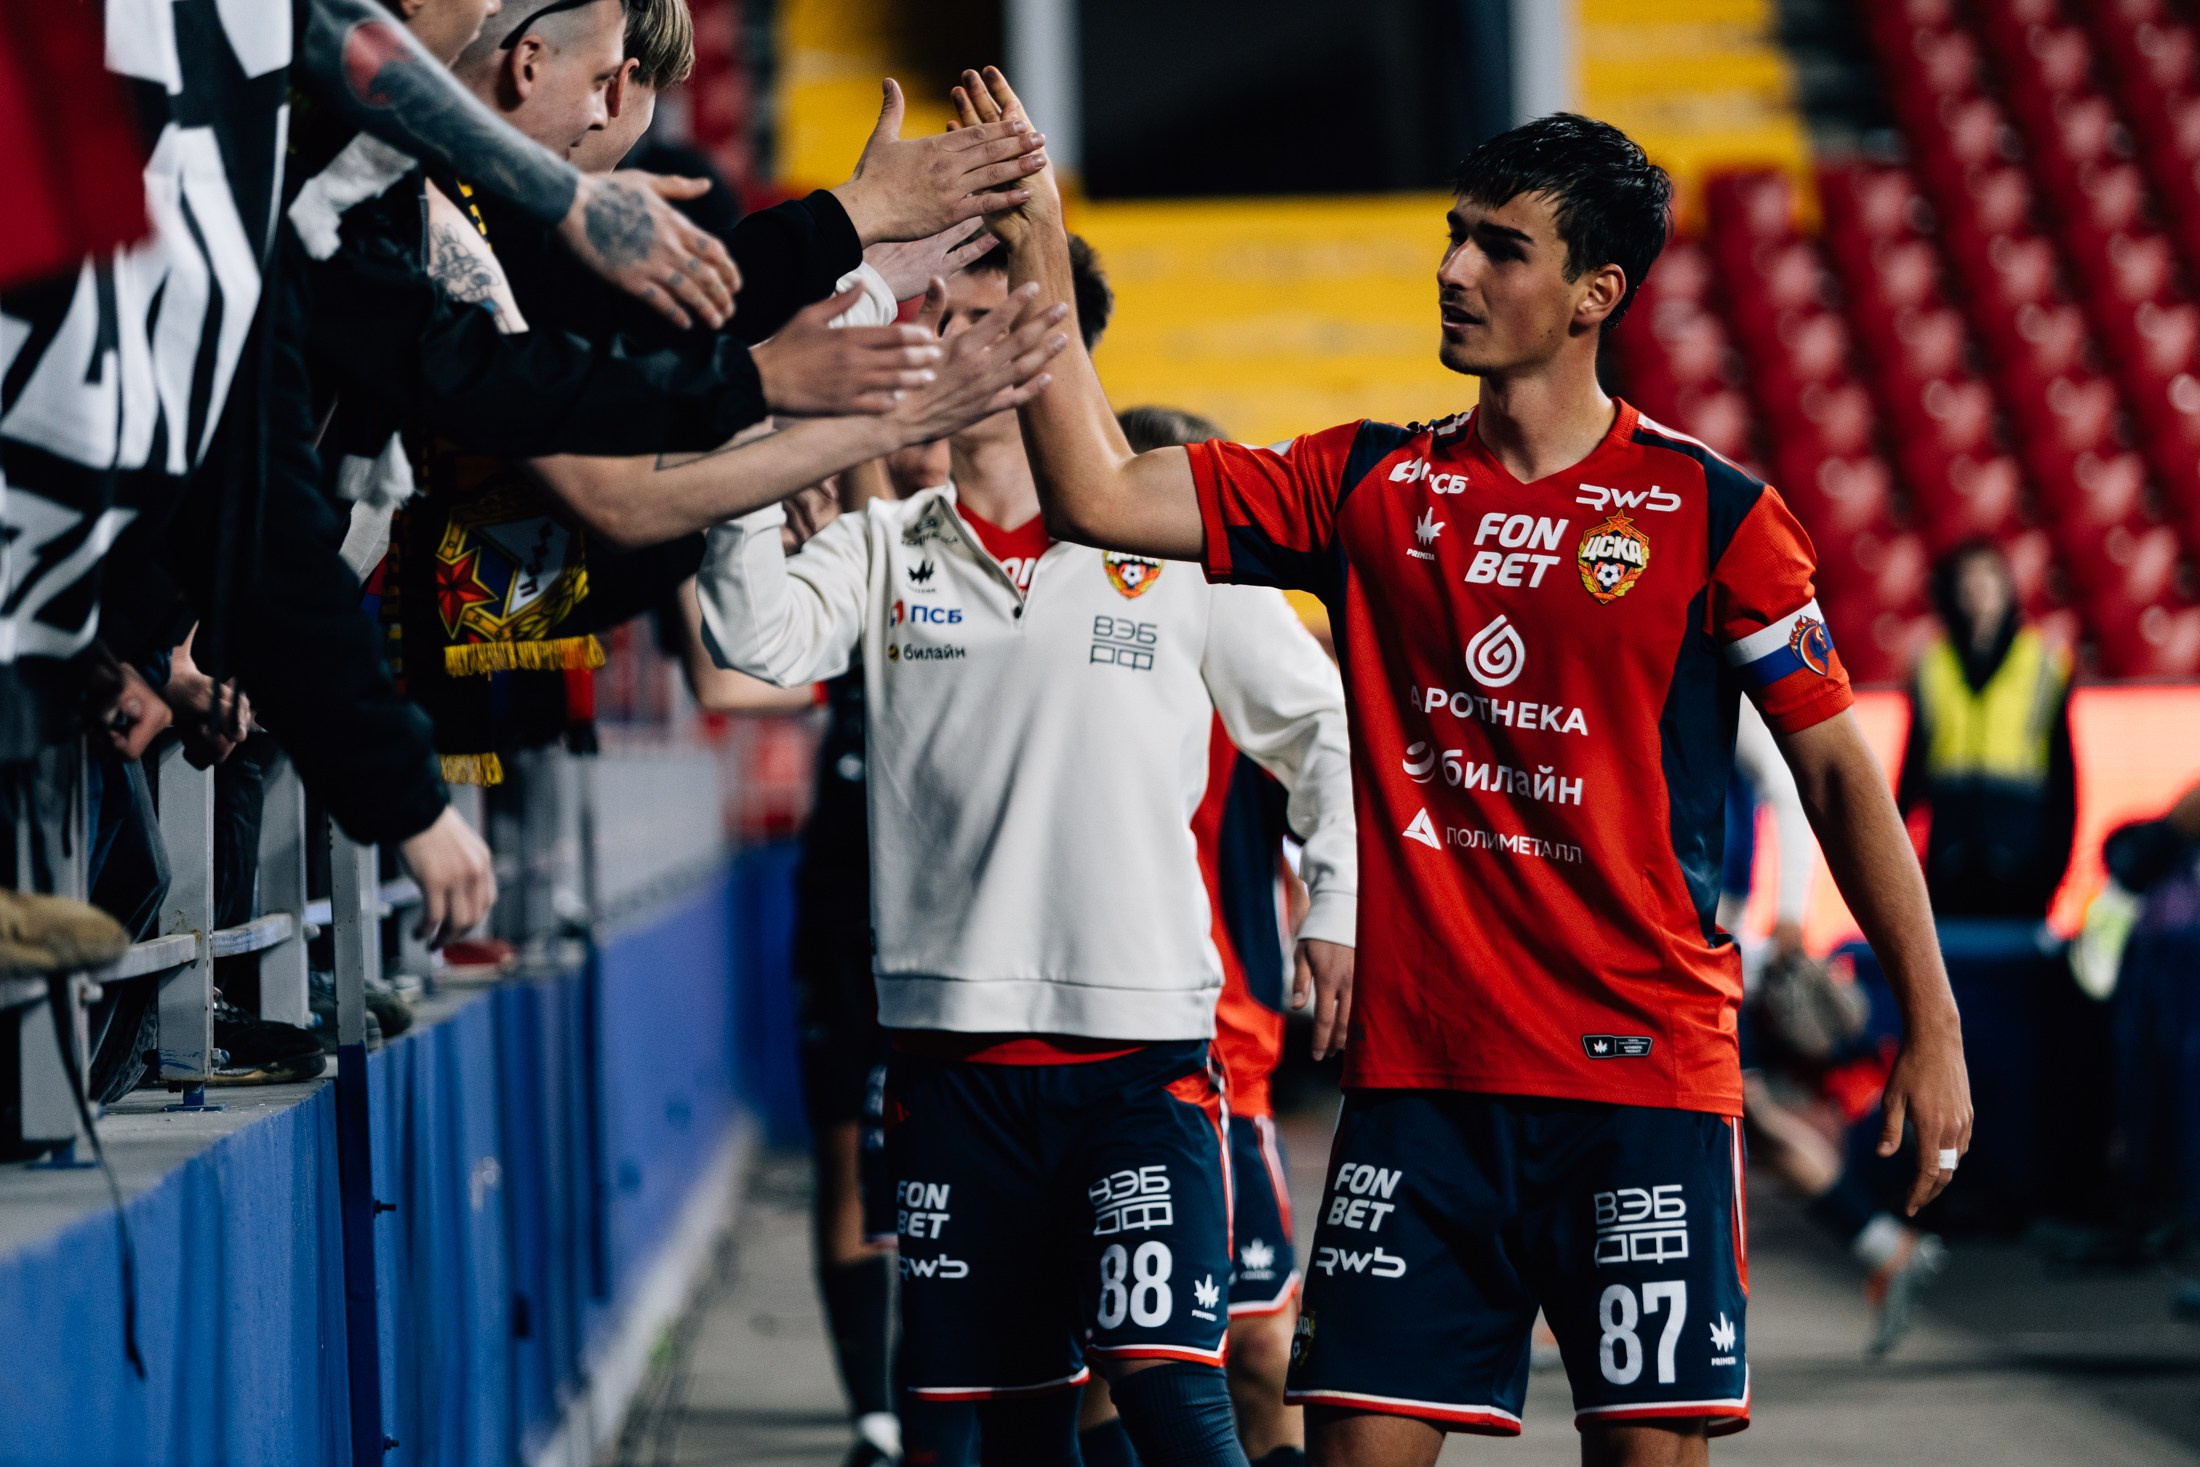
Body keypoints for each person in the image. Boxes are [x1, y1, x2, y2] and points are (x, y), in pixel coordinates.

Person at [970, 69, 1973, 1465]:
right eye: (1455, 233)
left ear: (1594, 293)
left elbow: (1841, 778)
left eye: (1500, 245)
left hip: (1641, 1094)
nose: (1453, 268)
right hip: (1425, 1096)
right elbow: (1095, 494)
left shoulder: (1715, 513)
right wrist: (1034, 252)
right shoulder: (1372, 486)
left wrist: (1932, 1022)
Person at [694, 238, 1356, 1467]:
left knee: (1176, 1402)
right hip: (950, 1072)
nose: (936, 339)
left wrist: (1340, 906)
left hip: (1141, 1064)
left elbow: (1324, 729)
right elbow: (751, 642)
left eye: (976, 316)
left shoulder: (1177, 536)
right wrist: (749, 459)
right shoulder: (890, 545)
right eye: (933, 316)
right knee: (978, 1443)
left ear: (1049, 346)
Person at [1118, 405, 1310, 1467]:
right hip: (1106, 1047)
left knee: (1260, 1347)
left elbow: (1340, 797)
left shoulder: (1253, 665)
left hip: (1229, 1055)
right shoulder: (1082, 663)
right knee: (1112, 1359)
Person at [1897, 540, 2076, 921]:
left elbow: (2065, 779)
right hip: (1949, 857)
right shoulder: (1931, 666)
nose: (1978, 590)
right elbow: (1911, 770)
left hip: (2024, 860)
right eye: (1969, 580)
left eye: (1988, 577)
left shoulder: (2044, 663)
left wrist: (2055, 870)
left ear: (2007, 587)